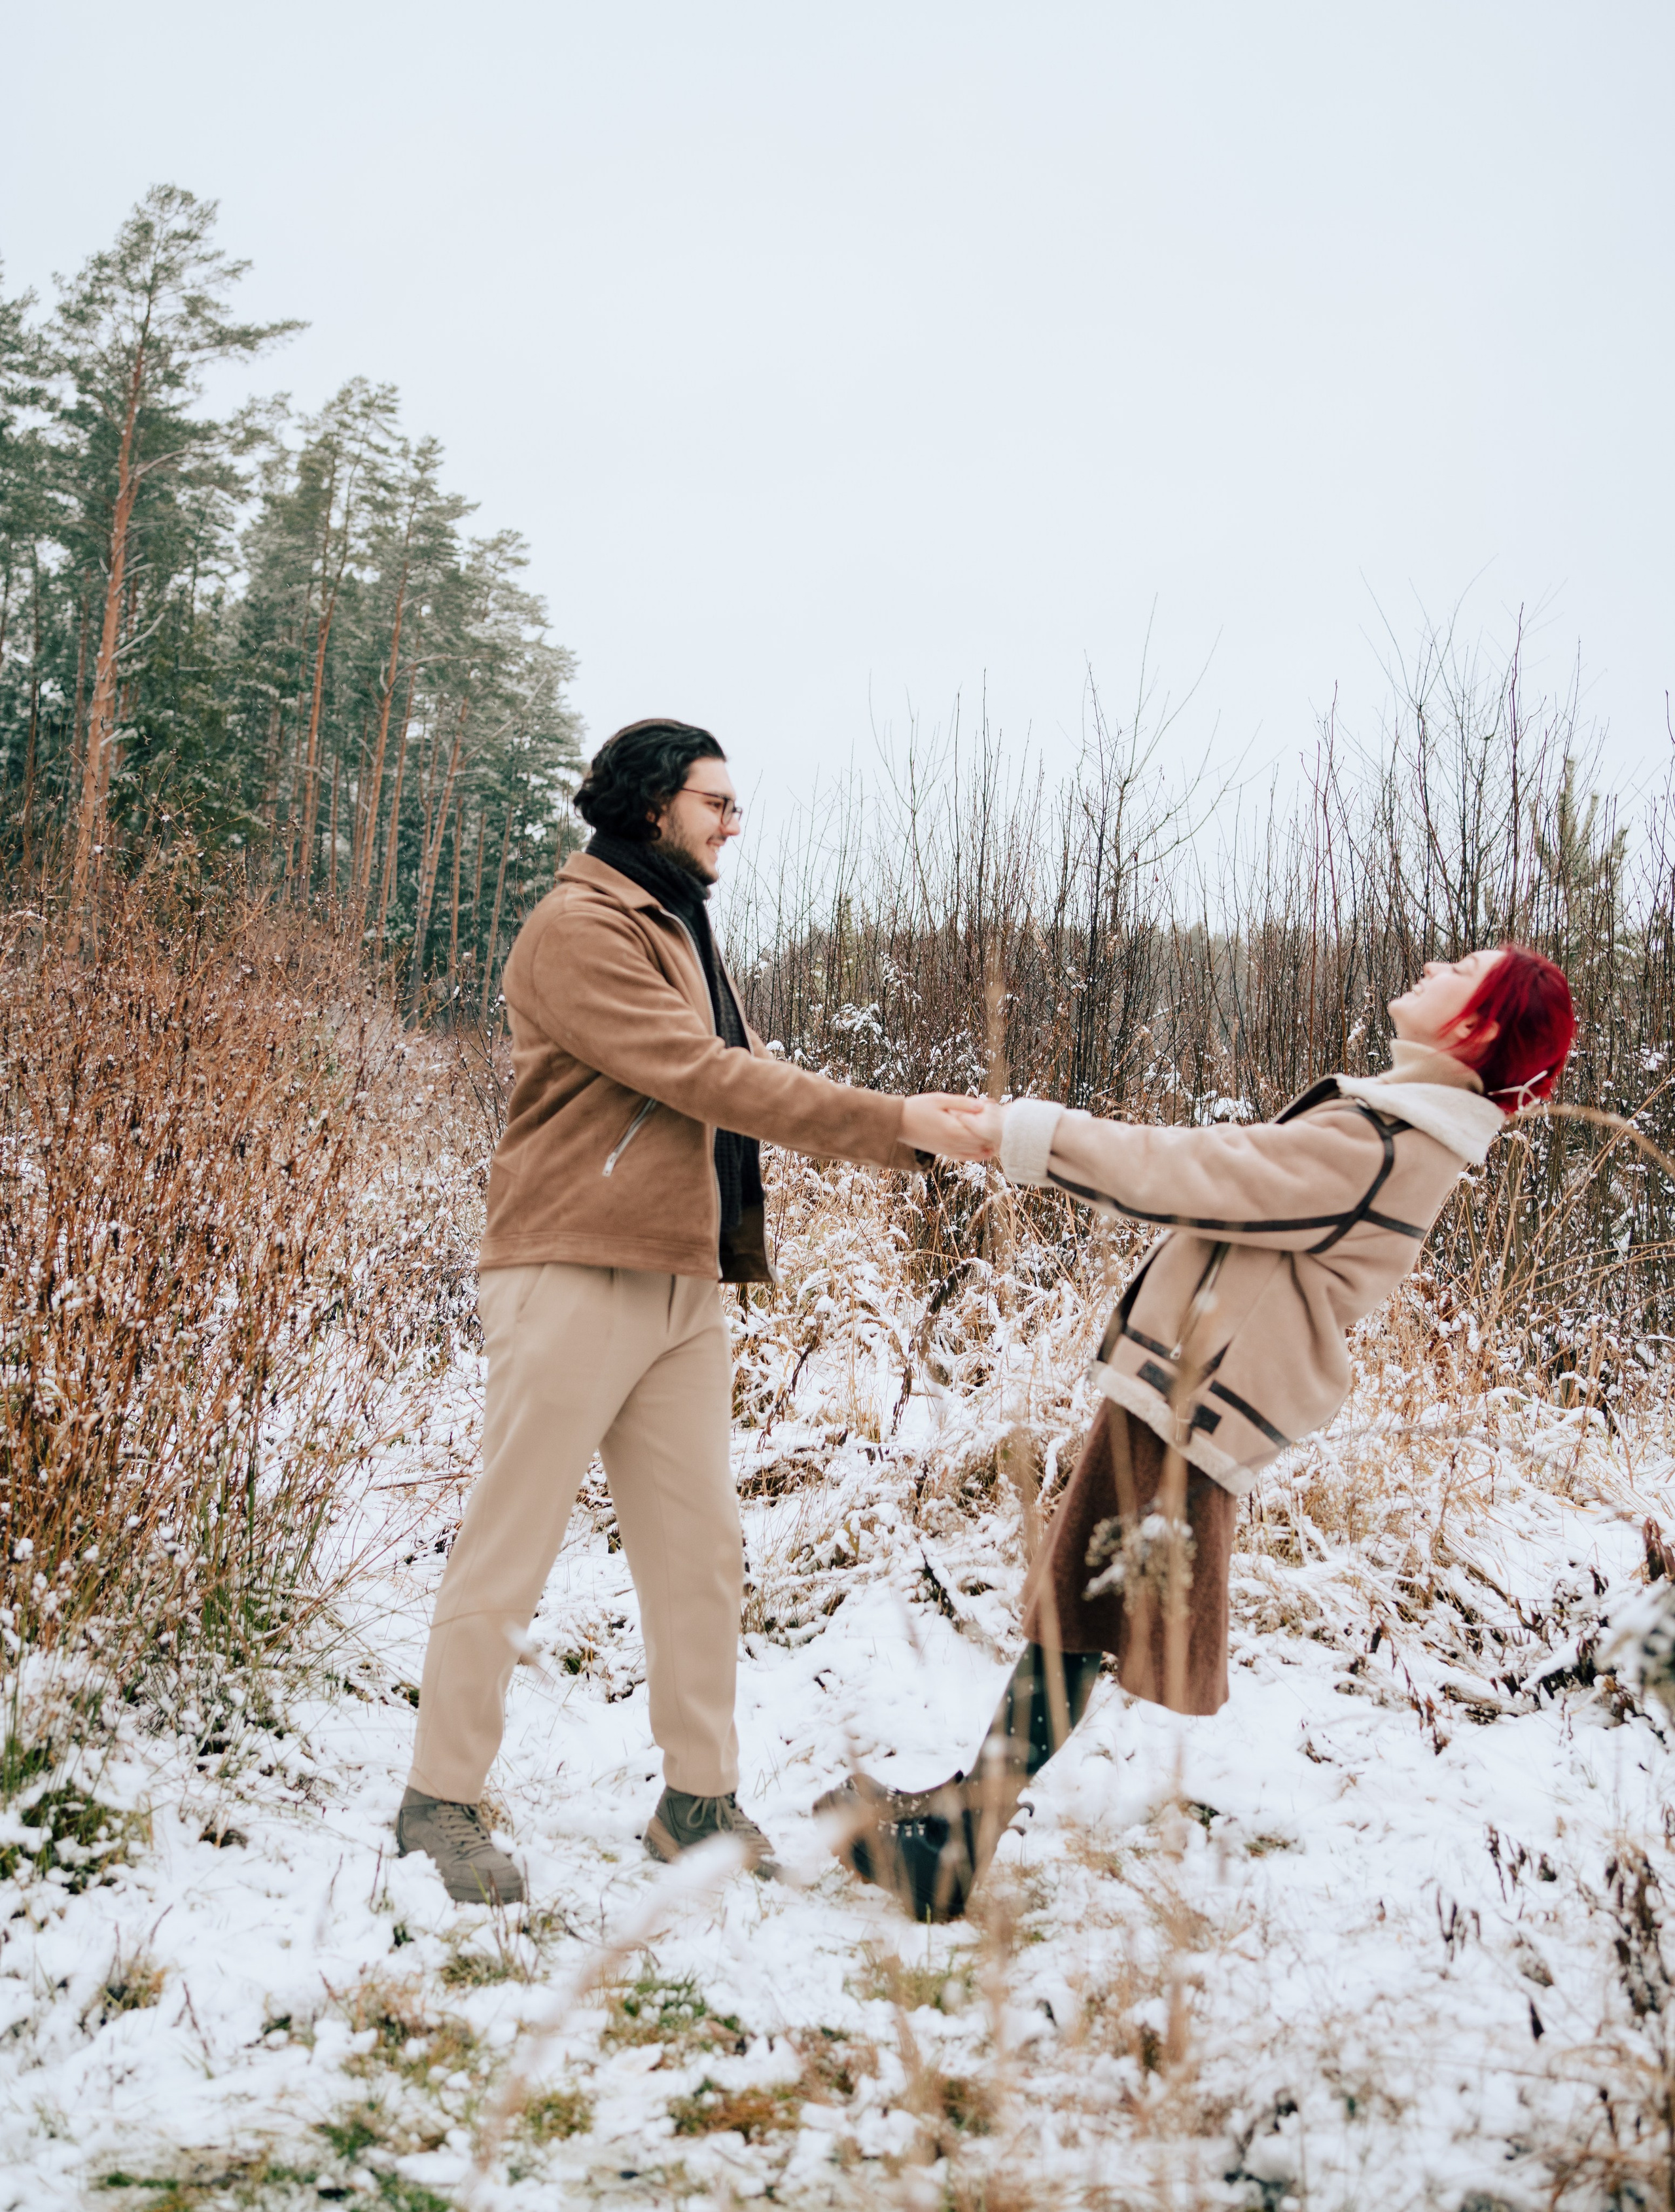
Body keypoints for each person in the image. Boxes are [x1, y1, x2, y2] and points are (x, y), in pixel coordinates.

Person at [822, 942, 1576, 1921]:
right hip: (1189, 1389)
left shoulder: (1391, 1143)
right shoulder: (1398, 1127)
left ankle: (953, 1850)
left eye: (1462, 968)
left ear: (1477, 1026)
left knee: (1077, 1619)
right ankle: (961, 1824)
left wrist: (1025, 1135)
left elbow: (1192, 1172)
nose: (1434, 962)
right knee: (1078, 1617)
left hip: (1194, 1400)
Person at [398, 720, 993, 1903]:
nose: (734, 821)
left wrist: (906, 1133)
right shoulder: (581, 928)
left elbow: (737, 1074)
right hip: (571, 1267)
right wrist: (898, 1123)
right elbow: (706, 1075)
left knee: (699, 1555)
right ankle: (440, 1800)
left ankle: (697, 1801)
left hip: (677, 1279)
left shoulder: (675, 923)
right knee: (511, 1545)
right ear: (653, 803)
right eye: (716, 800)